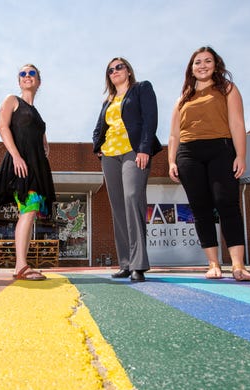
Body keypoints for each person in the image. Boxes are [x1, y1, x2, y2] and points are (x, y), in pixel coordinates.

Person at [168, 46, 250, 282]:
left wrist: (240, 155)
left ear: (216, 65)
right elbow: (174, 135)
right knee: (200, 209)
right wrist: (171, 161)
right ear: (191, 68)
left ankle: (238, 265)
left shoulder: (227, 89)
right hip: (188, 154)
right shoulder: (182, 98)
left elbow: (237, 123)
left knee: (227, 204)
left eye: (207, 61)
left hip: (221, 149)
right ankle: (213, 264)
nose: (202, 65)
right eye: (197, 62)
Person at [92, 57, 162, 283]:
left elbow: (150, 119)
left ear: (128, 70)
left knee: (133, 198)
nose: (115, 71)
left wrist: (144, 149)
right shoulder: (107, 102)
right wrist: (98, 148)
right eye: (110, 70)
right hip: (110, 156)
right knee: (118, 207)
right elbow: (98, 128)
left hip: (134, 151)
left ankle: (138, 265)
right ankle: (125, 263)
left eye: (119, 67)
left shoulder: (142, 89)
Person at [0, 64, 55, 280]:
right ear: (19, 81)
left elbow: (40, 139)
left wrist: (45, 145)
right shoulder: (12, 100)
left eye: (32, 73)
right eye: (23, 74)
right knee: (28, 210)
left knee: (31, 211)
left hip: (36, 167)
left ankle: (22, 263)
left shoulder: (36, 113)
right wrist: (17, 156)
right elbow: (2, 127)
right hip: (20, 165)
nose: (27, 76)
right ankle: (20, 266)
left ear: (39, 81)